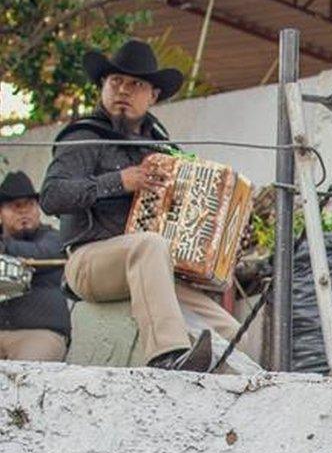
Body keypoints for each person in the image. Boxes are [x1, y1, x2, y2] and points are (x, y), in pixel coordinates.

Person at [40, 39, 245, 372]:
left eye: (135, 84)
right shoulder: (84, 136)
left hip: (151, 267)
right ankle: (167, 356)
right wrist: (120, 181)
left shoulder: (165, 148)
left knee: (233, 333)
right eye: (115, 82)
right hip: (89, 262)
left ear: (153, 96)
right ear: (102, 88)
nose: (123, 90)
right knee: (148, 245)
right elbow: (52, 197)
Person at [0, 171, 70, 362]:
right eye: (15, 206)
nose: (24, 212)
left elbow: (44, 252)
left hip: (40, 333)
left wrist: (5, 248)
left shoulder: (55, 239)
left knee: (27, 380)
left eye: (30, 205)